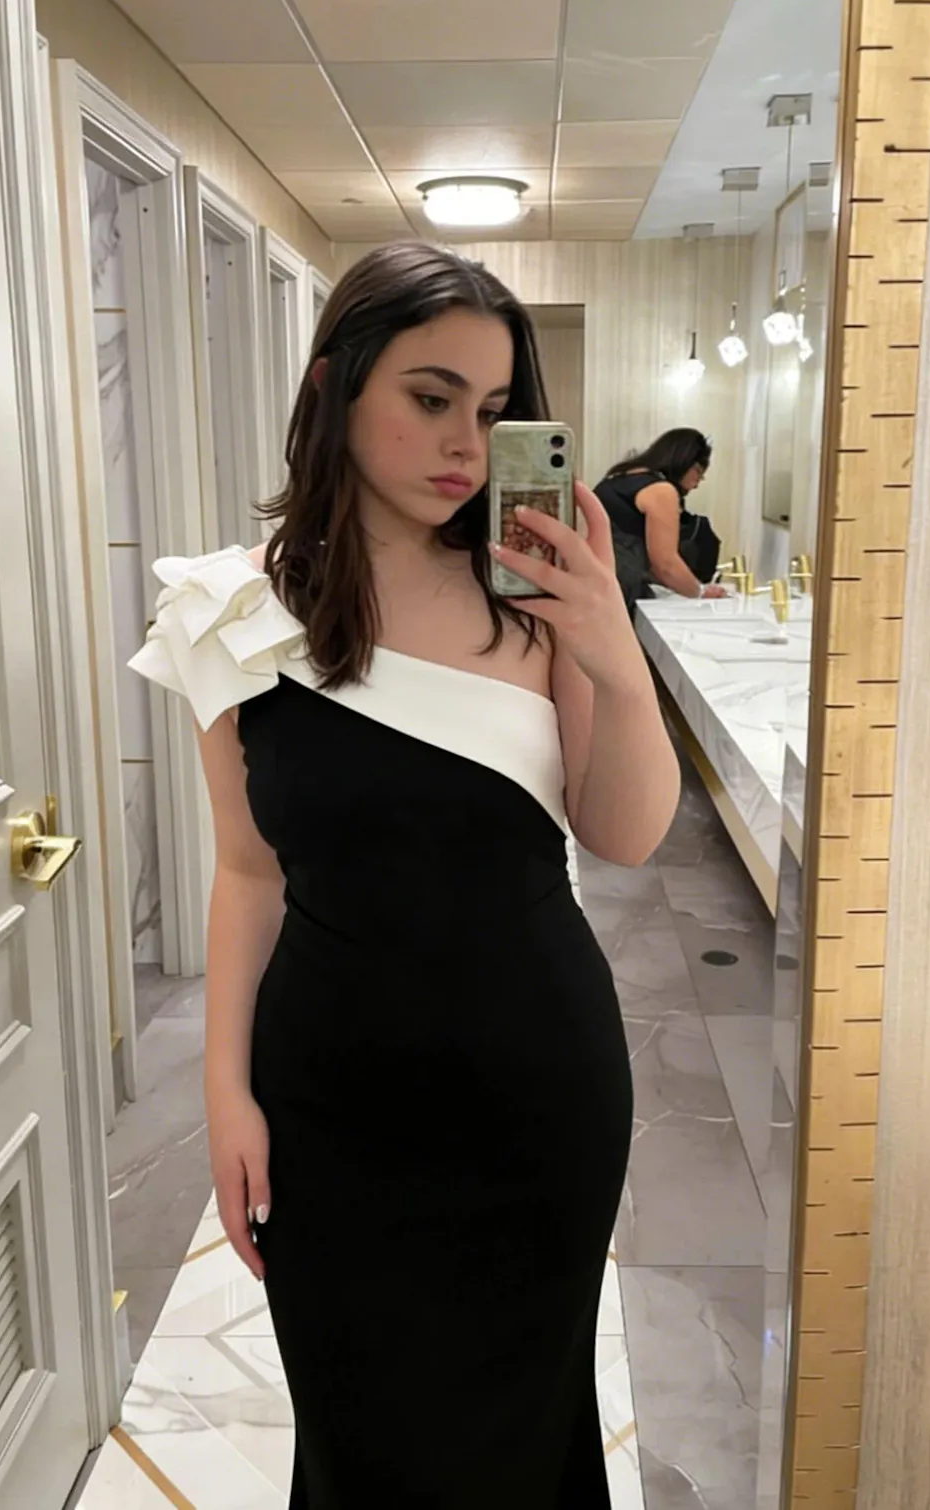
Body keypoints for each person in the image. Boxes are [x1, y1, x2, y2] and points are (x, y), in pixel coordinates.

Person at [129, 242, 680, 1509]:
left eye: (493, 411)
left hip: (535, 1091)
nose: (465, 445)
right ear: (335, 387)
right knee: (359, 1435)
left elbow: (626, 832)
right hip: (329, 1098)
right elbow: (245, 870)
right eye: (430, 398)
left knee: (526, 1436)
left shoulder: (535, 596)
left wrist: (611, 651)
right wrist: (225, 1091)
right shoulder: (234, 610)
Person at [595, 428, 729, 609]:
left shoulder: (617, 478)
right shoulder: (661, 491)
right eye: (699, 472)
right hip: (620, 592)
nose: (697, 483)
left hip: (595, 582)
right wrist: (700, 592)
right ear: (685, 462)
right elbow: (665, 565)